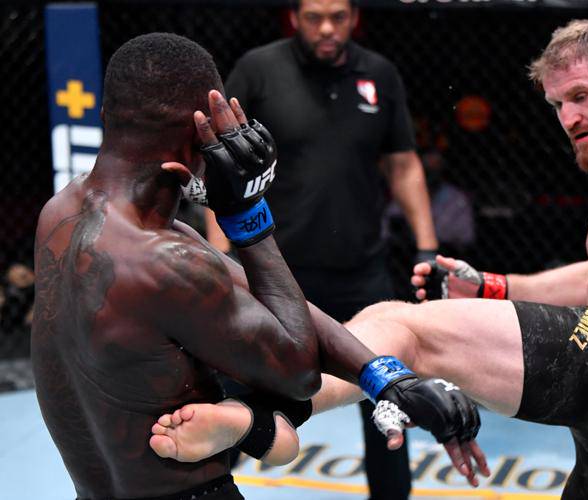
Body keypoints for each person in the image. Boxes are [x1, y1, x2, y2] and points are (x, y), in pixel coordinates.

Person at [150, 19, 588, 498]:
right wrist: (496, 285)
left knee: (402, 326)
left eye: (581, 96)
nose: (568, 118)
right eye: (557, 104)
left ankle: (262, 417)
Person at [31, 32, 484, 500]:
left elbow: (259, 294)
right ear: (199, 142)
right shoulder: (167, 261)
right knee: (272, 420)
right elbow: (299, 372)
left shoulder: (61, 214)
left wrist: (387, 379)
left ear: (108, 116)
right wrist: (249, 218)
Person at [206, 1, 440, 497]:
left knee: (385, 397)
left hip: (361, 271)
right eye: (315, 17)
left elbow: (402, 164)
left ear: (355, 16)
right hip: (274, 275)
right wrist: (218, 255)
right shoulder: (259, 69)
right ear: (294, 17)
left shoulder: (379, 74)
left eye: (338, 16)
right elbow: (219, 165)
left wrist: (427, 246)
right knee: (233, 397)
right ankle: (206, 489)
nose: (328, 28)